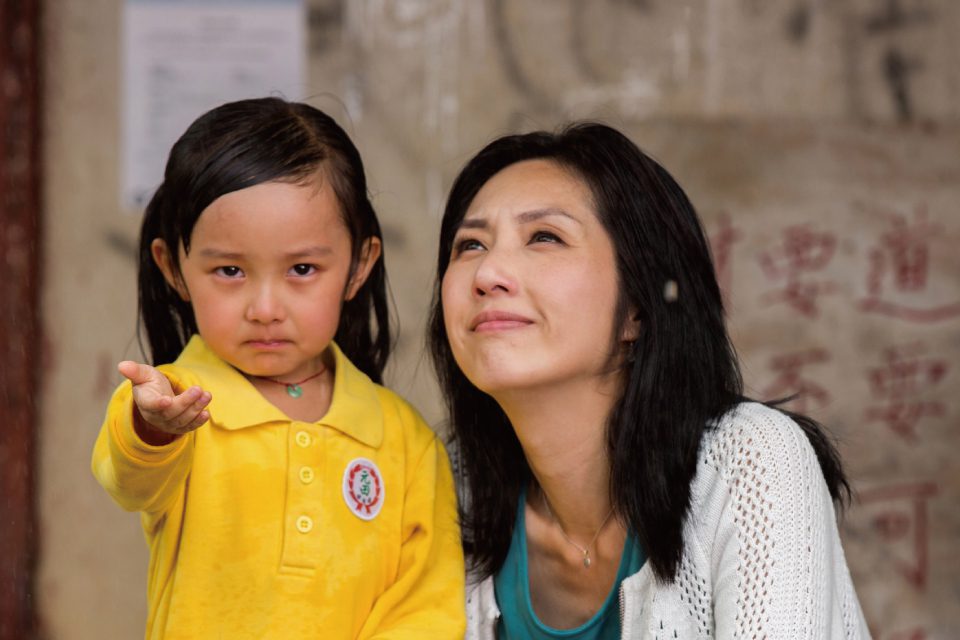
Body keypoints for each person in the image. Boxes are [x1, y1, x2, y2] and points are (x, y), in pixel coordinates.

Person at [428, 123, 870, 639]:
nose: (487, 274)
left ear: (637, 306)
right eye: (470, 245)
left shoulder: (751, 461)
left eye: (544, 237)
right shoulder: (450, 485)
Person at [92, 97, 464, 639]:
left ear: (358, 266)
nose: (265, 307)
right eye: (230, 270)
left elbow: (427, 609)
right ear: (174, 268)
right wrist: (153, 429)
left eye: (302, 269)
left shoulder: (403, 440)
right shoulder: (179, 405)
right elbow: (129, 480)